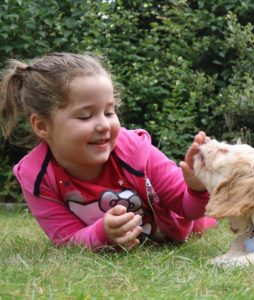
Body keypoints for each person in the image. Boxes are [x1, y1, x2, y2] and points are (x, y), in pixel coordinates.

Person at [0, 52, 216, 250]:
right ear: (42, 126)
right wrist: (102, 233)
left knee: (204, 222)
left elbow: (186, 207)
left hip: (182, 225)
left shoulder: (136, 151)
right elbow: (66, 240)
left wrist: (197, 188)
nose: (103, 125)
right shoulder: (37, 176)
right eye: (85, 116)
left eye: (109, 112)